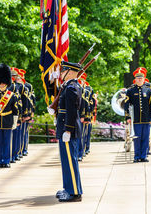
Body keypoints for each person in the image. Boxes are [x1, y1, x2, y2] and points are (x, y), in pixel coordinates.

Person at [56, 61, 83, 202]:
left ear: (71, 72)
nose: (61, 74)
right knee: (67, 162)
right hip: (64, 127)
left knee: (70, 162)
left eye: (63, 71)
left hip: (68, 129)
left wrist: (68, 130)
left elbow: (72, 111)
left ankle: (74, 193)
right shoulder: (68, 87)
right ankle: (68, 188)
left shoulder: (72, 88)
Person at [0, 63, 18, 168]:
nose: (1, 85)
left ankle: (6, 161)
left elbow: (15, 110)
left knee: (7, 142)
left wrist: (15, 122)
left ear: (7, 83)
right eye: (0, 83)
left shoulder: (11, 96)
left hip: (8, 120)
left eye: (3, 83)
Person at [124, 67, 151, 163]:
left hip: (147, 119)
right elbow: (126, 104)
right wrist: (128, 117)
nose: (139, 80)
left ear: (144, 79)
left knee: (145, 138)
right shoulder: (130, 91)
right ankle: (137, 156)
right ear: (135, 79)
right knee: (137, 139)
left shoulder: (148, 90)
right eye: (138, 78)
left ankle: (144, 156)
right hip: (136, 119)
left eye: (141, 78)